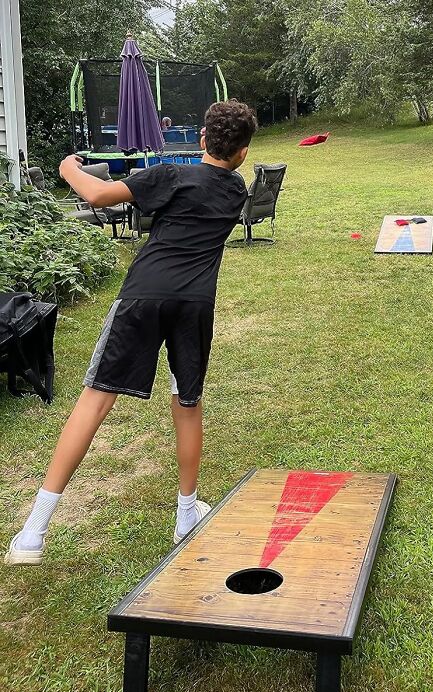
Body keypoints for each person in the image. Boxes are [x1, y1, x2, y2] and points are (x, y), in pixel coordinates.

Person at [5, 99, 258, 565]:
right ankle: (186, 514)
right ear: (242, 153)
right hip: (194, 307)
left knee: (96, 399)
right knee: (187, 401)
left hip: (143, 297)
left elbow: (98, 196)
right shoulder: (236, 190)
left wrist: (66, 168)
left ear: (201, 140)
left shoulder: (168, 175)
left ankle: (33, 533)